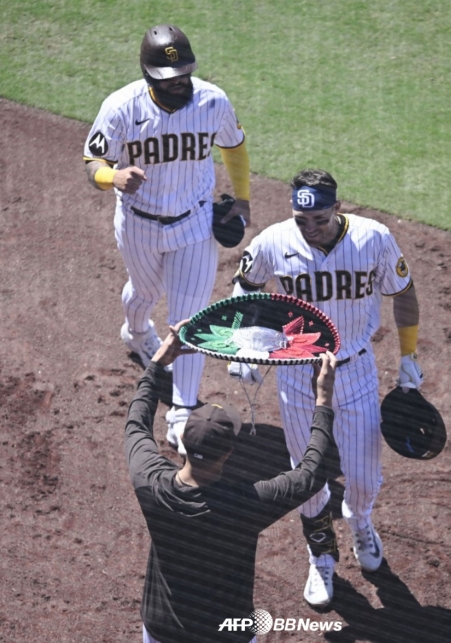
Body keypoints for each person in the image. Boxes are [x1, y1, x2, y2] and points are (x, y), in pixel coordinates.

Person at [228, 168, 424, 608]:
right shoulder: (273, 242)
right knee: (308, 474)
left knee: (364, 476)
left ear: (337, 207)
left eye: (319, 218)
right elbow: (243, 291)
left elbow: (404, 292)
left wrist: (408, 355)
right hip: (297, 373)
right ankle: (320, 554)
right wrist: (244, 347)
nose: (311, 228)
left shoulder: (373, 239)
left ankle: (360, 522)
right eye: (302, 220)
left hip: (355, 371)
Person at [83, 24, 251, 455]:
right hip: (138, 224)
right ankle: (137, 333)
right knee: (145, 292)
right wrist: (113, 176)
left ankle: (181, 410)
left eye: (184, 74)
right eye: (169, 78)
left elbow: (234, 146)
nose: (179, 83)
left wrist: (243, 199)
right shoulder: (121, 107)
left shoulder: (212, 100)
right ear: (148, 74)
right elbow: (93, 161)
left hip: (194, 224)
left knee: (190, 318)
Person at [125, 319, 339, 643]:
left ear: (182, 439)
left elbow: (136, 424)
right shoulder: (246, 503)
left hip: (162, 629)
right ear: (228, 453)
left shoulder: (151, 482)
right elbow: (310, 474)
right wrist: (322, 401)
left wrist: (157, 363)